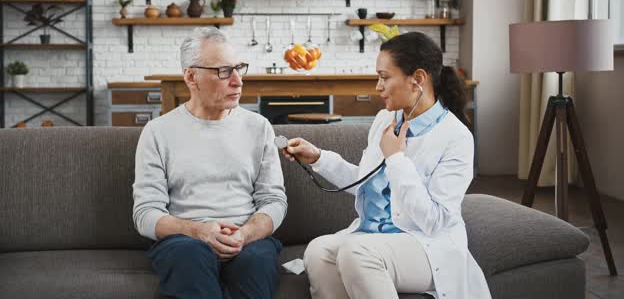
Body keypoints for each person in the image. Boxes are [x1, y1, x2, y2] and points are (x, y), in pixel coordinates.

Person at [281, 32, 491, 299]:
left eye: (384, 77)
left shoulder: (456, 138)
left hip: (425, 245)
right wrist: (319, 157)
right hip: (373, 236)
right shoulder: (385, 119)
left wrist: (396, 159)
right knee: (318, 251)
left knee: (357, 252)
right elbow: (367, 183)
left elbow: (434, 220)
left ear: (418, 79)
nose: (378, 86)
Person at [133, 27, 288, 299]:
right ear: (191, 76)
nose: (238, 81)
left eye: (239, 68)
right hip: (185, 242)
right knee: (189, 255)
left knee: (256, 263)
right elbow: (145, 214)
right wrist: (198, 231)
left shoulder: (259, 127)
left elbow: (274, 200)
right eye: (224, 71)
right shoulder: (158, 132)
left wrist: (246, 233)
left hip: (247, 239)